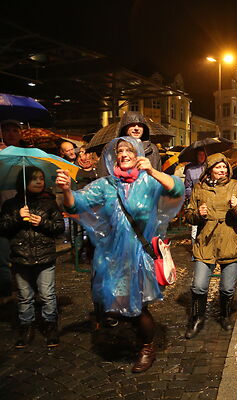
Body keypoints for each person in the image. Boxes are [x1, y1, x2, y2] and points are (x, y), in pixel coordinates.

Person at [55, 136, 184, 373]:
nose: (123, 154)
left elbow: (177, 189)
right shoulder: (106, 185)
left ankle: (147, 347)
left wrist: (153, 171)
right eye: (119, 151)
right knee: (118, 302)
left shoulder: (149, 182)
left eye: (129, 150)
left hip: (140, 254)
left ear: (137, 155)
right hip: (113, 256)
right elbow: (76, 205)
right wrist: (66, 190)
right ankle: (134, 336)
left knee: (140, 306)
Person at [183, 153, 237, 337]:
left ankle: (225, 316)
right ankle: (197, 318)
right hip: (206, 242)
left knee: (227, 287)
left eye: (224, 167)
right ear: (209, 169)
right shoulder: (199, 188)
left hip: (230, 240)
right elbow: (189, 215)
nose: (222, 170)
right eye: (218, 167)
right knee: (199, 286)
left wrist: (236, 206)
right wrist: (198, 214)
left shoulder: (236, 186)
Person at [0, 167, 64, 348]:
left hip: (45, 257)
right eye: (34, 179)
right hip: (21, 258)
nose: (39, 182)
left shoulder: (49, 203)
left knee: (47, 294)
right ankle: (26, 326)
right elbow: (3, 228)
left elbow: (59, 227)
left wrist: (42, 222)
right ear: (23, 181)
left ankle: (50, 325)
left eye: (41, 178)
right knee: (24, 295)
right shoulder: (11, 205)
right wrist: (18, 218)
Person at [97, 111, 161, 176]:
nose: (136, 128)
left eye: (140, 125)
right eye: (132, 125)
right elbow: (103, 175)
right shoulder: (110, 148)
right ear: (125, 127)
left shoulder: (152, 149)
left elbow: (158, 175)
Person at [0, 120, 23, 301]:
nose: (10, 134)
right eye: (6, 130)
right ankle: (7, 294)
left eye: (15, 130)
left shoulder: (26, 156)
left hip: (20, 211)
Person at [184, 149, 207, 242]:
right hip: (196, 200)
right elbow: (187, 187)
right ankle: (194, 247)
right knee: (195, 226)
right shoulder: (190, 170)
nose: (201, 157)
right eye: (199, 154)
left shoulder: (209, 168)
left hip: (209, 199)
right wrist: (192, 197)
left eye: (203, 154)